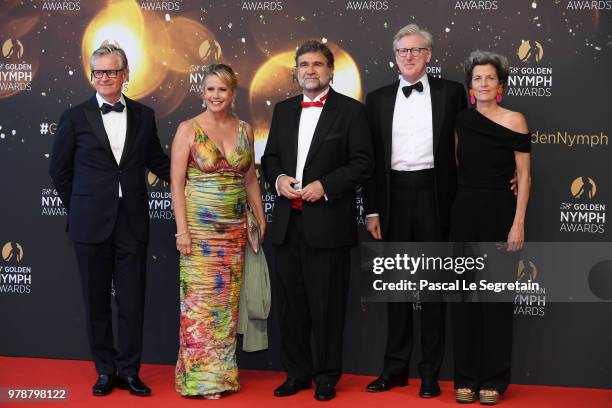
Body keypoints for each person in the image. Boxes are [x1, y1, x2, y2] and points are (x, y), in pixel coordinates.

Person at [49, 44, 170, 397]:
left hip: (132, 222)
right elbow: (59, 171)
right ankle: (105, 370)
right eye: (98, 72)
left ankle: (130, 371)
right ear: (92, 75)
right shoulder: (74, 117)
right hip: (90, 225)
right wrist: (81, 207)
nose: (104, 77)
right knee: (96, 300)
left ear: (125, 74)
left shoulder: (145, 116)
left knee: (132, 301)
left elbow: (157, 163)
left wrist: (201, 175)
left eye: (111, 71)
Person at [261, 40, 373, 401]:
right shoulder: (283, 110)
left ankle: (327, 376)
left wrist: (325, 186)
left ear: (330, 70)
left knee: (327, 307)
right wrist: (277, 180)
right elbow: (271, 158)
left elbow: (362, 163)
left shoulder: (352, 112)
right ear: (296, 70)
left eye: (317, 65)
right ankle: (297, 373)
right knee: (291, 308)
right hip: (287, 227)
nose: (310, 70)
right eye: (304, 65)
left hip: (328, 227)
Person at [362, 24, 466, 398]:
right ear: (395, 56)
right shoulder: (376, 100)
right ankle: (395, 369)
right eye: (402, 50)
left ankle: (430, 374)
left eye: (415, 50)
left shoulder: (452, 93)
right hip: (392, 197)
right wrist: (371, 210)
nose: (408, 56)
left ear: (428, 55)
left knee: (433, 289)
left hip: (435, 196)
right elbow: (370, 162)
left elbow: (469, 144)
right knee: (397, 287)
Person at [171, 63, 266, 399]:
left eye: (222, 90)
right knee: (198, 306)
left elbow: (251, 178)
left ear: (232, 93)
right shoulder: (187, 129)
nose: (215, 95)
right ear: (203, 92)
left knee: (225, 308)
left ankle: (223, 377)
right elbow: (176, 184)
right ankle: (198, 380)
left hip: (234, 232)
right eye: (210, 89)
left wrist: (260, 214)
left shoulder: (245, 129)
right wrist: (182, 231)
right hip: (199, 233)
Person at [451, 50, 531, 405]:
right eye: (478, 78)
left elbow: (525, 176)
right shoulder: (461, 122)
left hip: (500, 213)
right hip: (464, 213)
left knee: (496, 300)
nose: (483, 84)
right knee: (465, 300)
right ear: (471, 86)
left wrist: (518, 223)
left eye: (490, 78)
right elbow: (457, 167)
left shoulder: (515, 120)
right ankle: (465, 379)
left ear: (501, 85)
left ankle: (495, 380)